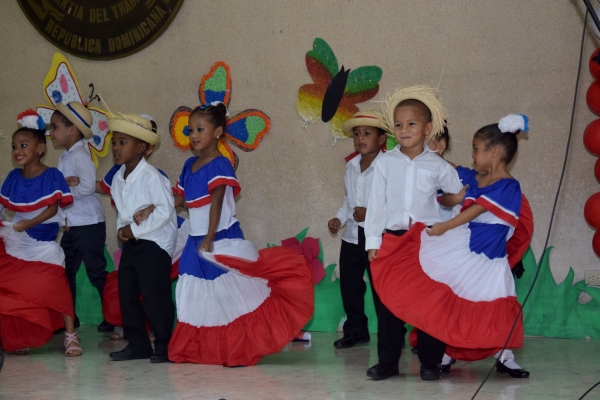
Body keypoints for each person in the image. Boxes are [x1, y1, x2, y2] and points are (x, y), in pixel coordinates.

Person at [370, 113, 530, 380]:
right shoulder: (474, 177)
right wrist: (429, 156)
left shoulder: (509, 186)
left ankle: (504, 355)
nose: (473, 156)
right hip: (463, 250)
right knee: (447, 298)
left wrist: (445, 226)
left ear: (494, 152)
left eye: (476, 150)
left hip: (487, 256)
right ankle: (444, 351)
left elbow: (477, 209)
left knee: (492, 299)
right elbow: (448, 176)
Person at [168, 102, 314, 366]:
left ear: (218, 132)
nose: (194, 135)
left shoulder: (220, 164)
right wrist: (154, 208)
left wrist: (210, 237)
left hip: (219, 237)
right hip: (194, 241)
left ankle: (243, 343)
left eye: (200, 129)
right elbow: (179, 199)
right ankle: (196, 348)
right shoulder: (188, 165)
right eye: (190, 130)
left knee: (233, 293)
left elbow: (216, 202)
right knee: (193, 292)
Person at [364, 86, 464, 380]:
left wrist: (451, 233)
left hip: (427, 246)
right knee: (388, 307)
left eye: (412, 123)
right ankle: (388, 362)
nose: (404, 129)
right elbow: (376, 205)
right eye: (398, 124)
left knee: (430, 305)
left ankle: (431, 363)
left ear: (428, 128)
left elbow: (458, 197)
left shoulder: (438, 165)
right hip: (392, 243)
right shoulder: (384, 163)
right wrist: (373, 242)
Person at [0, 110, 81, 356]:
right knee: (14, 288)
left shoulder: (51, 175)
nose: (17, 150)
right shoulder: (13, 176)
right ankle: (20, 333)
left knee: (57, 283)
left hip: (44, 243)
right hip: (18, 240)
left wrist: (29, 223)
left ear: (40, 148)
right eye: (14, 146)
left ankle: (71, 336)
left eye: (24, 145)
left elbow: (52, 207)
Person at [105, 112, 177, 363]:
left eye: (123, 142)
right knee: (127, 292)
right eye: (115, 142)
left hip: (155, 244)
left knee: (154, 294)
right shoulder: (117, 177)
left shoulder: (152, 176)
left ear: (142, 148)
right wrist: (121, 230)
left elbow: (165, 212)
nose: (116, 147)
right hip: (133, 244)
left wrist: (132, 231)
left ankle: (166, 346)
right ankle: (138, 345)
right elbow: (123, 212)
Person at [328, 111, 388, 349]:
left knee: (381, 286)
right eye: (356, 134)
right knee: (350, 285)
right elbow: (348, 201)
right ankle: (356, 330)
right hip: (352, 235)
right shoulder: (351, 166)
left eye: (367, 133)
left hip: (378, 236)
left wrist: (370, 214)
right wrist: (338, 218)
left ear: (382, 139)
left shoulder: (388, 166)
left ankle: (390, 332)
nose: (360, 138)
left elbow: (393, 204)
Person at [50, 101, 111, 333]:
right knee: (66, 273)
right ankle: (69, 320)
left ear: (72, 130)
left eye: (54, 127)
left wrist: (64, 193)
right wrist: (63, 219)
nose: (51, 133)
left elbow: (86, 187)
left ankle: (116, 316)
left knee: (96, 270)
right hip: (73, 225)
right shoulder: (66, 156)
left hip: (89, 225)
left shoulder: (80, 155)